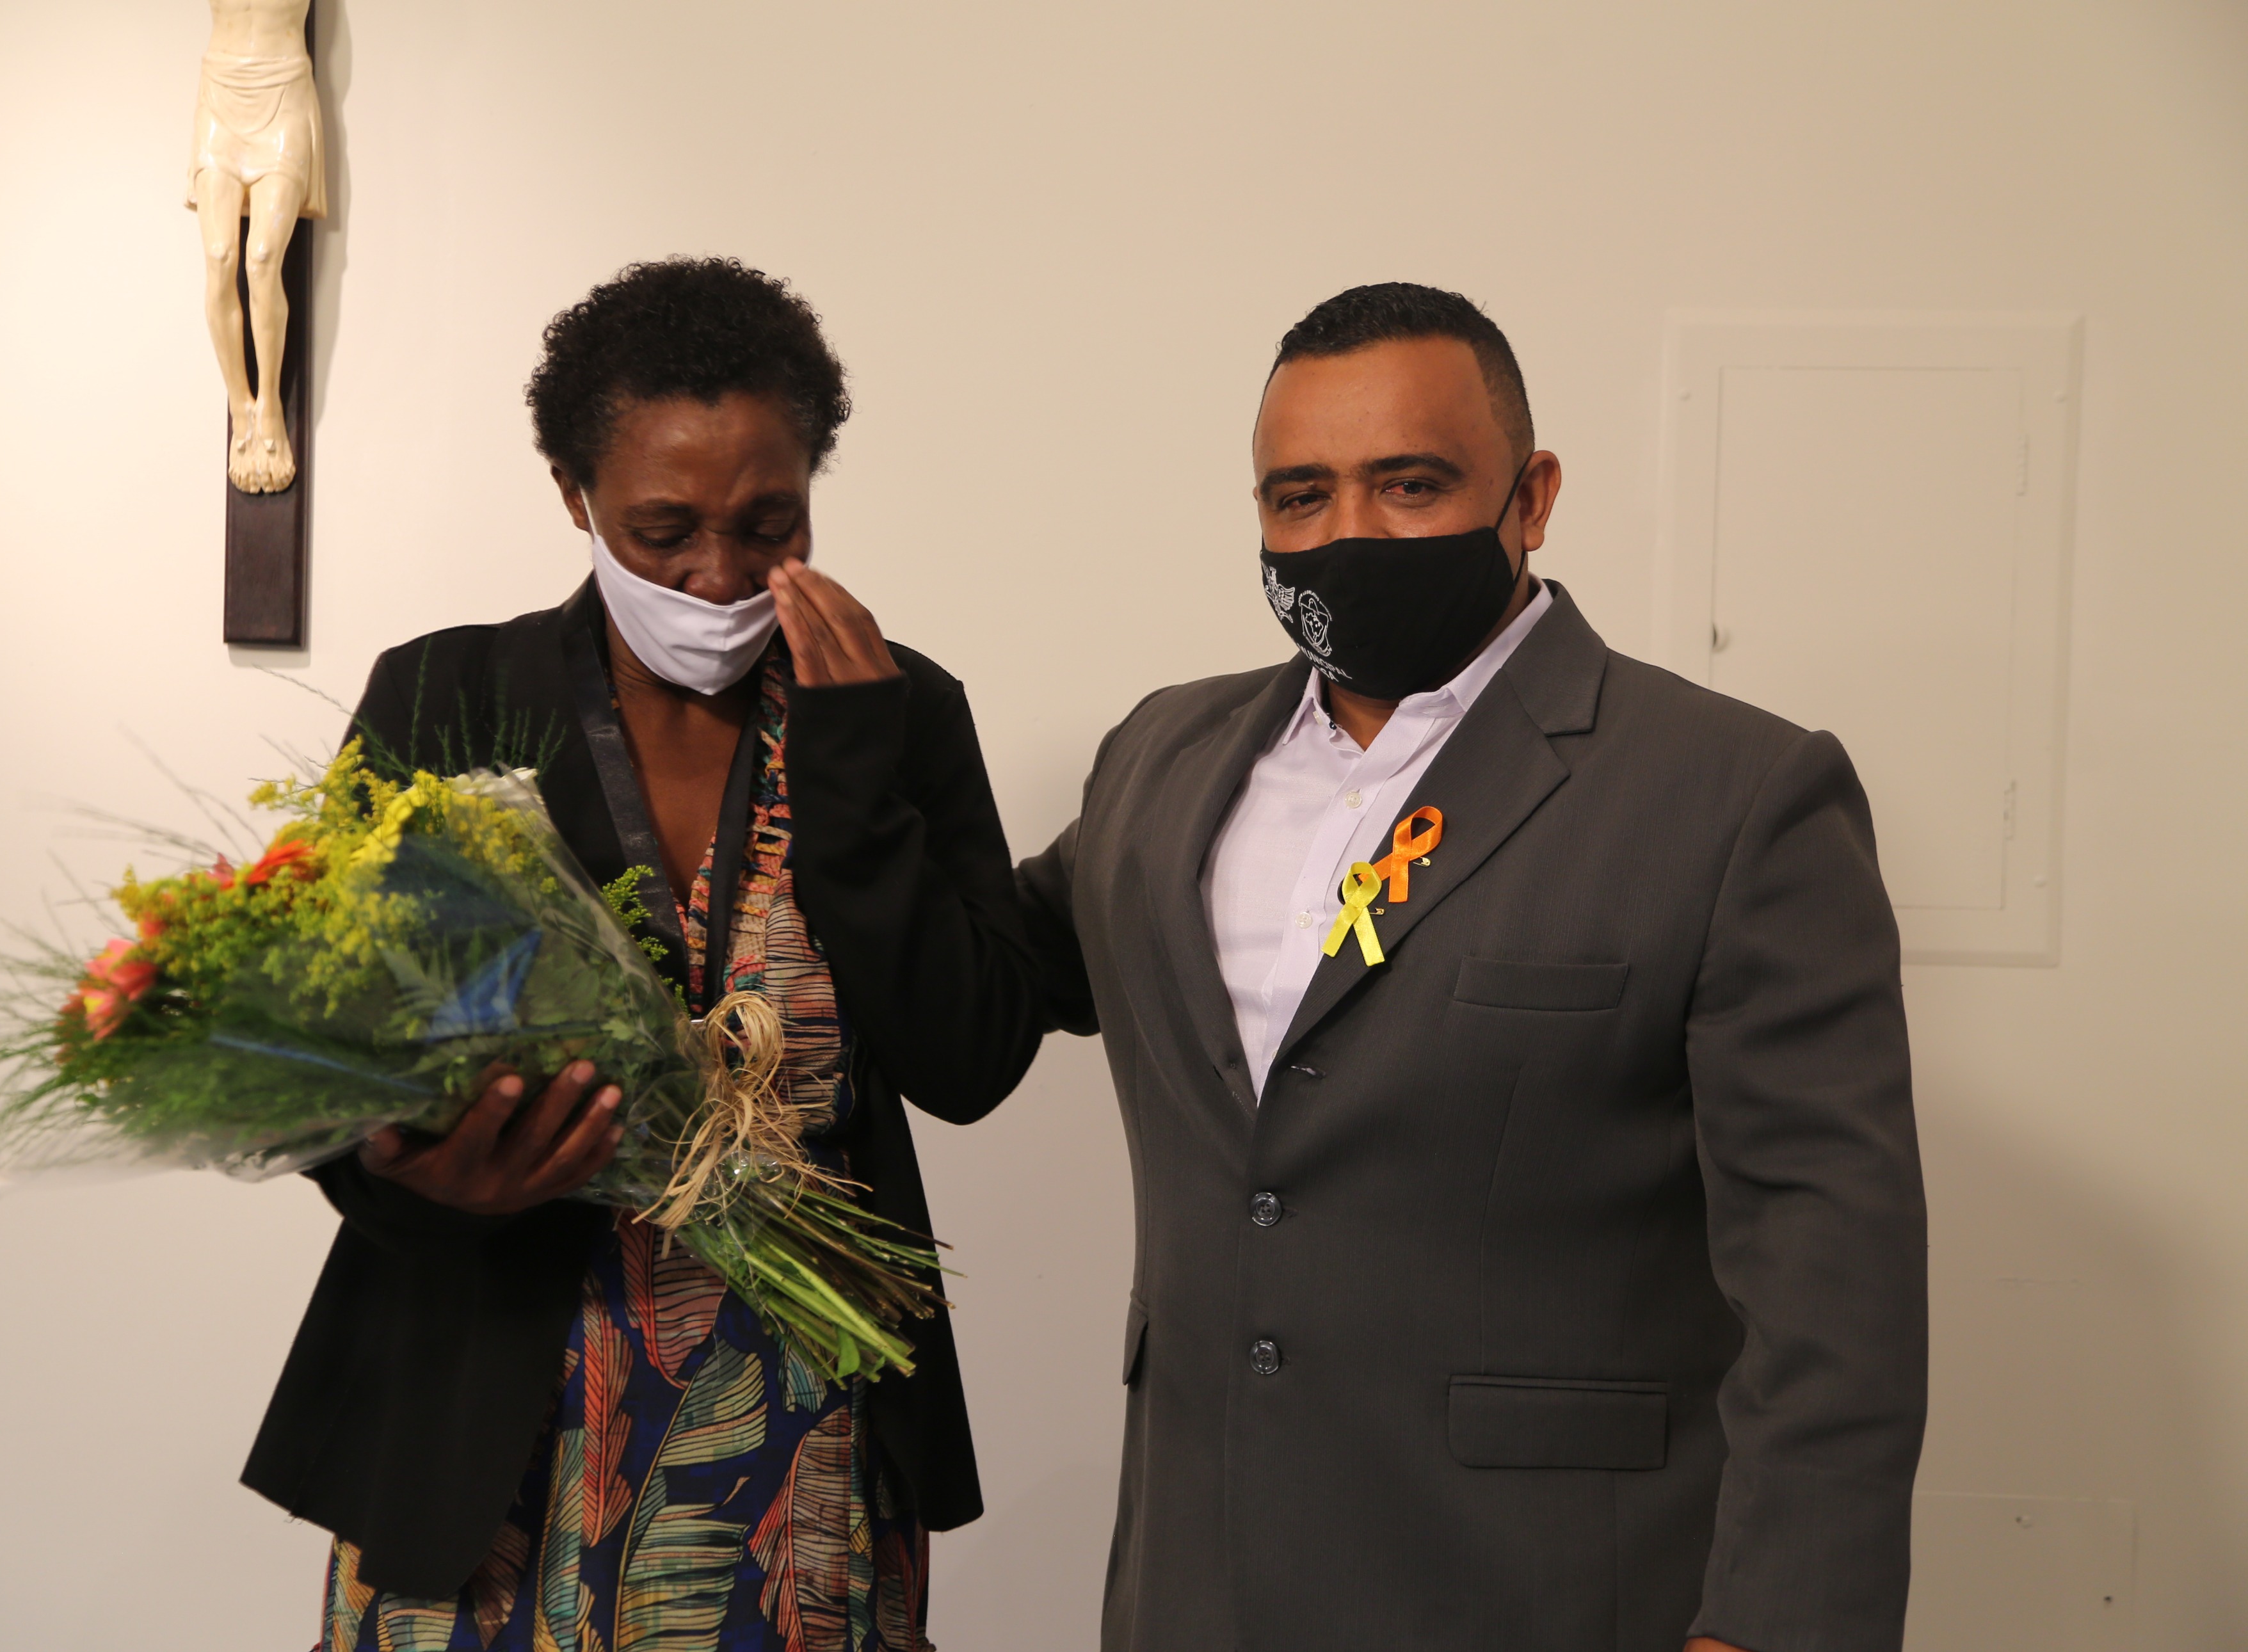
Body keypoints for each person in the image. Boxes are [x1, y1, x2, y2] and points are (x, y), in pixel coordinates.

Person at [1013, 285, 1929, 1650]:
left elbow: (1834, 1291)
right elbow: (975, 986)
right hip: (1199, 1590)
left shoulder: (1737, 795)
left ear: (1531, 495)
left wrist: (1771, 1629)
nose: (1348, 533)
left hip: (1541, 1596)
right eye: (1300, 496)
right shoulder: (1161, 759)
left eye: (1410, 484)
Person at [241, 257, 1041, 1651]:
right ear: (575, 497)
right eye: (662, 529)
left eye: (769, 524)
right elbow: (322, 1060)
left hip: (798, 1441)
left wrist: (851, 784)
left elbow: (970, 1058)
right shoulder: (445, 696)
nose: (718, 575)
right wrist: (424, 1178)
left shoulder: (895, 708)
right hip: (479, 1430)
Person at [187, 0, 323, 493]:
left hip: (283, 93)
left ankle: (269, 405)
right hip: (220, 95)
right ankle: (240, 406)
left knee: (263, 259)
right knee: (220, 256)